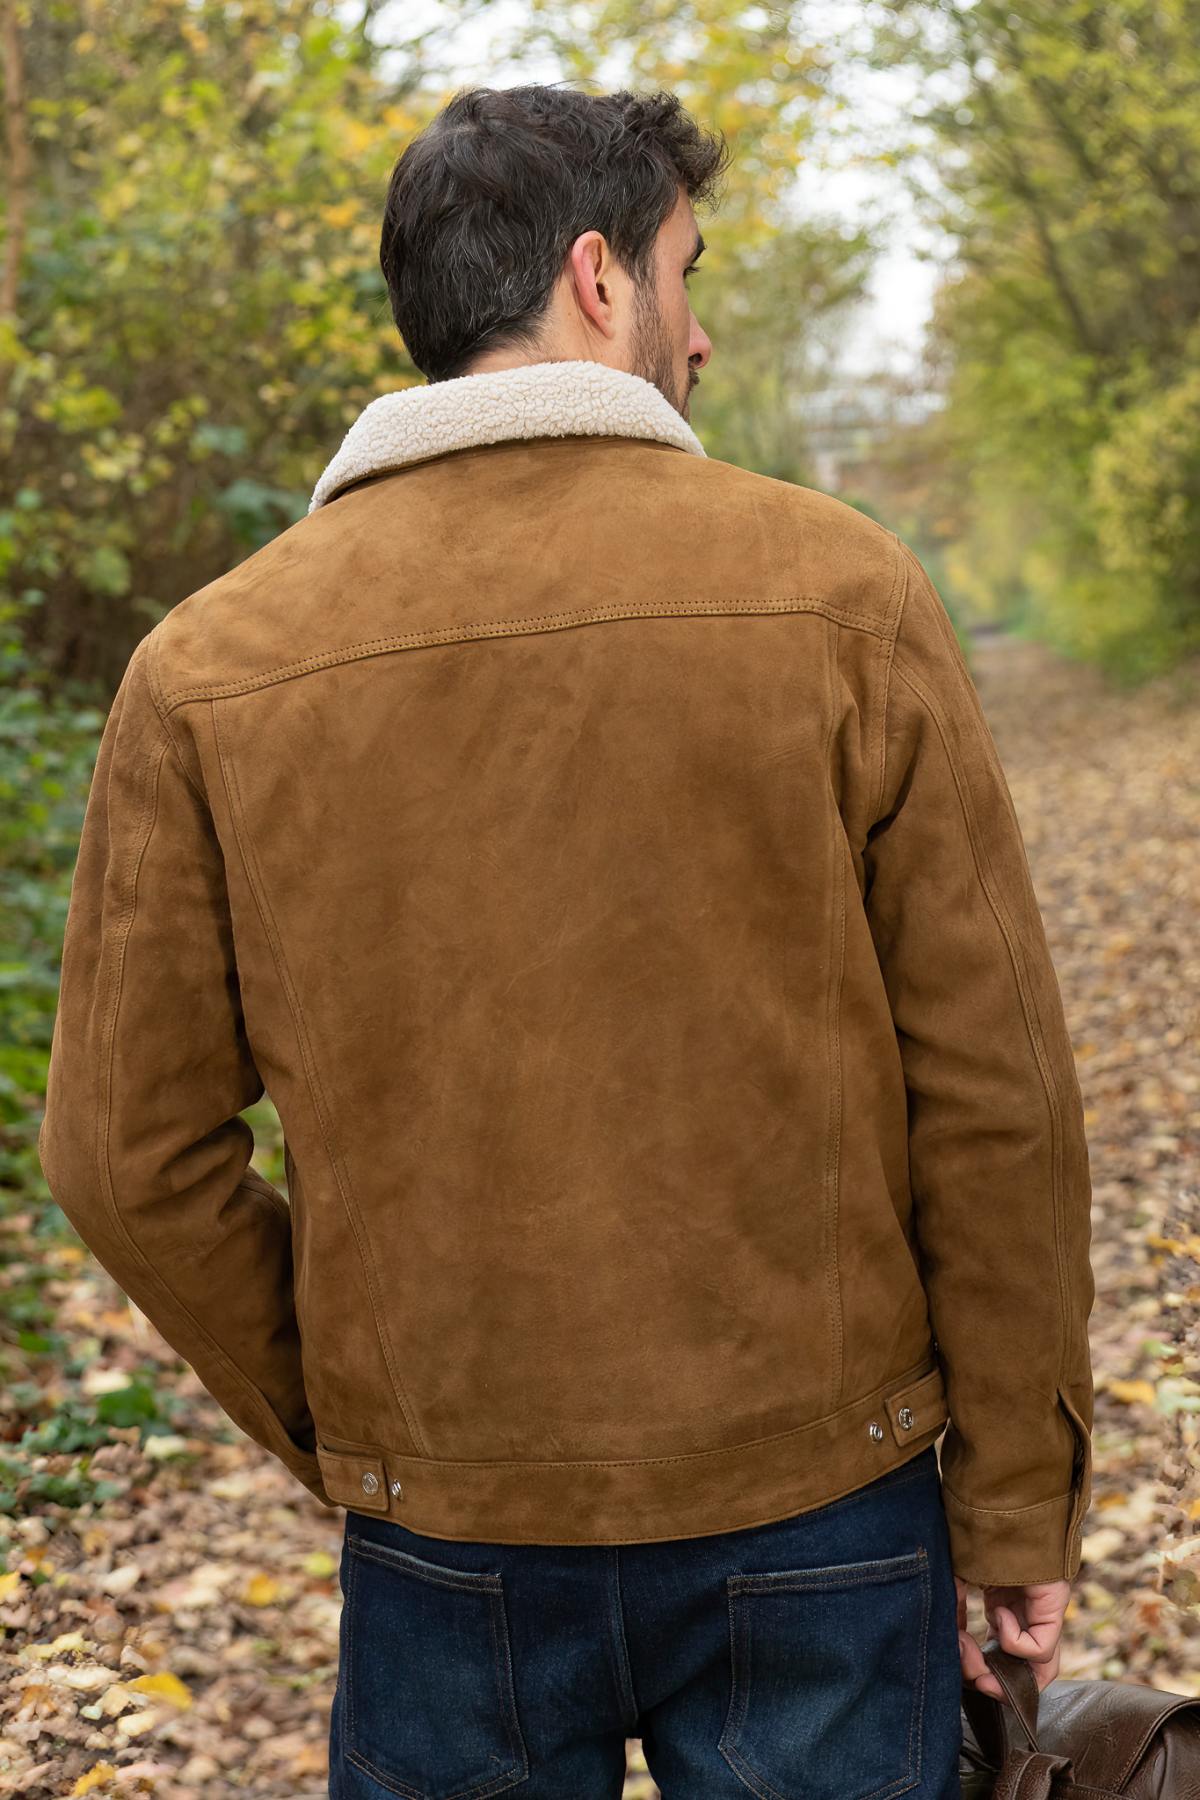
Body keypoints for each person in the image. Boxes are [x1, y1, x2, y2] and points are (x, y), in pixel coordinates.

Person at [39, 82, 1095, 1800]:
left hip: (446, 1529)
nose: (704, 330)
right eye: (689, 271)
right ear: (599, 282)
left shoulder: (206, 667)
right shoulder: (841, 595)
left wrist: (363, 1424)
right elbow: (995, 1100)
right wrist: (1017, 1504)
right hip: (822, 1506)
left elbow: (119, 1153)